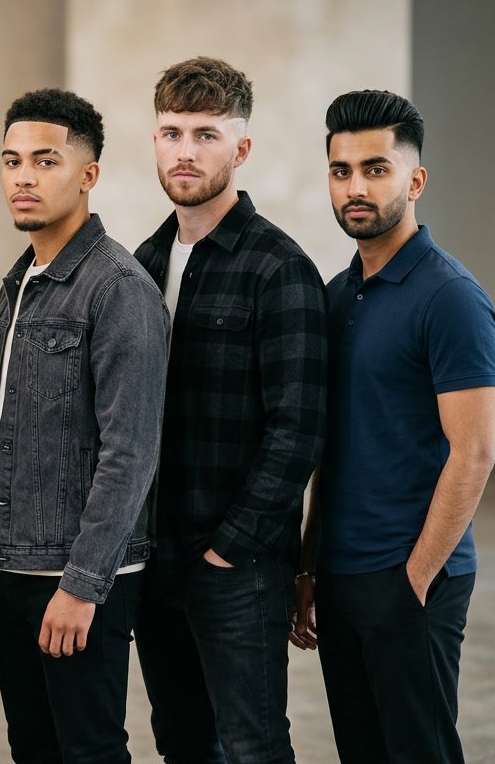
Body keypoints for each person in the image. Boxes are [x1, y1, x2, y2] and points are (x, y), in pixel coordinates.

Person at [291, 90, 495, 764]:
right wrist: (310, 564)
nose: (356, 187)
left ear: (415, 181)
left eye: (376, 169)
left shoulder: (452, 299)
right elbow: (331, 446)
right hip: (342, 575)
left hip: (412, 576)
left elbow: (474, 453)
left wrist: (415, 580)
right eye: (341, 170)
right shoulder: (337, 294)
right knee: (362, 750)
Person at [132, 56, 328, 763]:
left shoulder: (279, 268)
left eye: (206, 135)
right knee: (181, 743)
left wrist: (227, 550)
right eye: (172, 132)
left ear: (240, 148)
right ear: (154, 140)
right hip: (154, 562)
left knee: (252, 747)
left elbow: (298, 430)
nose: (186, 151)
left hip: (236, 568)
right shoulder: (143, 263)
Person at [0, 88, 169, 763]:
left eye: (45, 161)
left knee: (89, 749)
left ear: (88, 175)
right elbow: (3, 436)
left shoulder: (119, 289)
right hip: (15, 568)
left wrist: (82, 583)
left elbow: (131, 452)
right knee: (34, 747)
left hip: (82, 576)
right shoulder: (21, 279)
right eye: (12, 161)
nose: (24, 177)